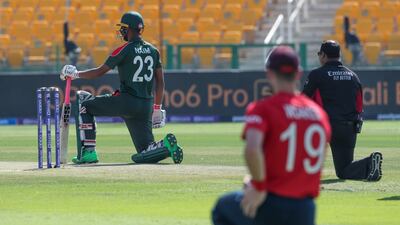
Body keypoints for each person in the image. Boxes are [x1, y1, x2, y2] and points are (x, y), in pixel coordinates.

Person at [212, 46, 331, 225]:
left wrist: (258, 185)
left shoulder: (263, 108)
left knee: (222, 208)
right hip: (305, 208)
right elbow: (320, 152)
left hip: (272, 201)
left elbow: (252, 150)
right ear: (298, 73)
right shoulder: (318, 114)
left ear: (269, 74)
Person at [59, 11, 183, 165]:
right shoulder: (154, 51)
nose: (121, 31)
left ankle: (88, 153)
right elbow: (161, 83)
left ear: (129, 29)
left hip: (127, 101)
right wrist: (157, 108)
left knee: (85, 106)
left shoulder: (124, 49)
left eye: (123, 28)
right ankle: (165, 146)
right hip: (146, 106)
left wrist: (76, 74)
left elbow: (99, 72)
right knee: (145, 151)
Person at [303, 40, 382, 181]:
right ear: (339, 55)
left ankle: (294, 174)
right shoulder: (353, 76)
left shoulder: (317, 74)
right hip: (349, 127)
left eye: (319, 53)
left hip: (326, 126)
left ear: (323, 55)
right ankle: (370, 164)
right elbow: (359, 105)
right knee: (344, 170)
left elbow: (303, 100)